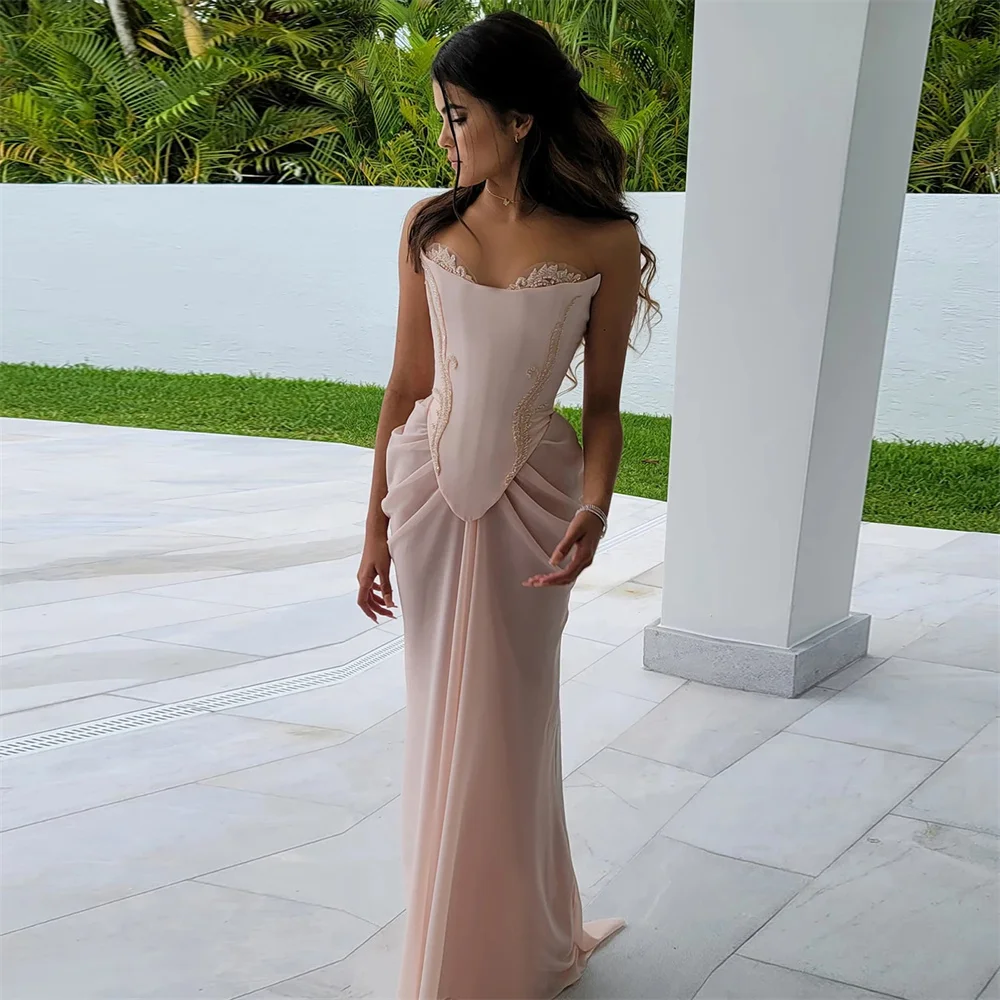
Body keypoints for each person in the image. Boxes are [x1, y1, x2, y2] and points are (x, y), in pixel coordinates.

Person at [357, 10, 657, 999]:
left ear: (520, 119)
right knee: (439, 720)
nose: (445, 137)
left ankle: (517, 939)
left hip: (536, 506)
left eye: (458, 116)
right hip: (427, 498)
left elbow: (603, 408)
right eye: (442, 117)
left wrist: (596, 509)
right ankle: (450, 941)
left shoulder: (605, 240)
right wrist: (372, 528)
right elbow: (406, 386)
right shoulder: (428, 225)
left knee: (512, 727)